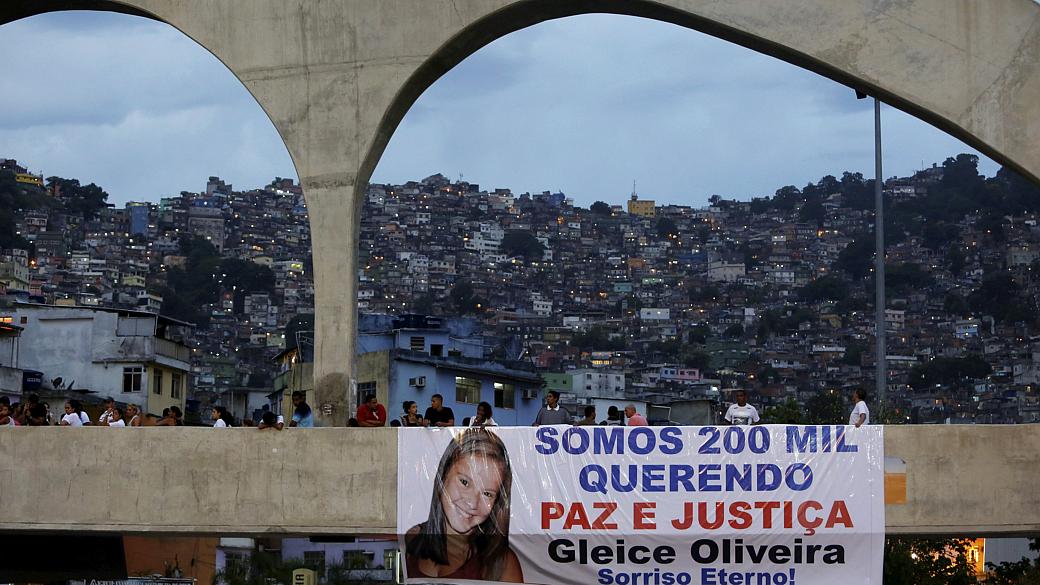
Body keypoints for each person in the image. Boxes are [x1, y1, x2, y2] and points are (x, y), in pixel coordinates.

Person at [405, 428, 524, 582]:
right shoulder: (411, 537)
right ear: (443, 475)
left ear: (497, 502)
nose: (472, 503)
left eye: (487, 494)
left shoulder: (502, 563)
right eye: (465, 482)